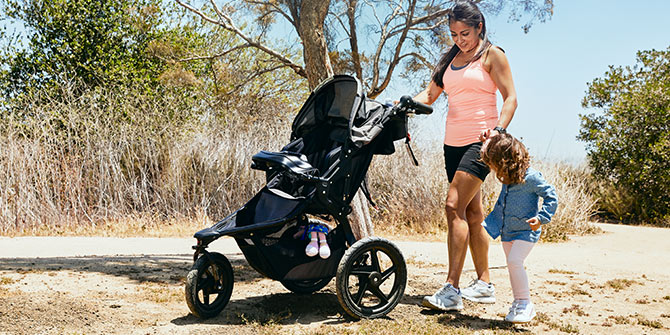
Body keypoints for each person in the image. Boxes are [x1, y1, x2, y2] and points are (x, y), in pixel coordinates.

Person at [415, 0, 518, 311]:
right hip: (452, 144)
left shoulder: (491, 55)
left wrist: (498, 131)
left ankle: (451, 290)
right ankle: (485, 284)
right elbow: (430, 95)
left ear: (479, 28)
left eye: (465, 33)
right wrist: (402, 104)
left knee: (452, 206)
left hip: (481, 142)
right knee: (472, 213)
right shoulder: (449, 61)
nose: (459, 39)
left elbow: (511, 97)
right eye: (454, 34)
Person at [479, 133, 558, 323]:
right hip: (508, 231)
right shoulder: (508, 178)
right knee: (513, 266)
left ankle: (525, 304)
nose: (494, 170)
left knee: (515, 261)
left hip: (526, 231)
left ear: (505, 161)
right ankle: (518, 303)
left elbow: (551, 196)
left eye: (494, 164)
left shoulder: (531, 177)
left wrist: (541, 218)